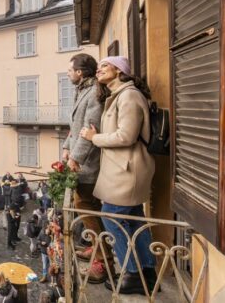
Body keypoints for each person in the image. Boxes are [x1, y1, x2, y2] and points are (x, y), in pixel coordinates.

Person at [79, 56, 156, 295]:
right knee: (134, 220)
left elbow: (126, 136)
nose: (99, 69)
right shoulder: (119, 96)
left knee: (111, 218)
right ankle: (148, 273)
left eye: (105, 65)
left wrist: (94, 138)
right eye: (99, 66)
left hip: (127, 170)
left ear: (119, 70)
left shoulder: (129, 95)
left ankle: (131, 273)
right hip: (124, 169)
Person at [62, 53, 108, 282]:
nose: (68, 73)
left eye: (70, 70)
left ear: (80, 72)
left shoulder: (94, 93)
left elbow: (91, 129)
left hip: (90, 164)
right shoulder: (82, 90)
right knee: (85, 206)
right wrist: (67, 147)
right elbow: (75, 127)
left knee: (85, 205)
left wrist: (76, 158)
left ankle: (103, 261)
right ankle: (95, 246)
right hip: (82, 160)